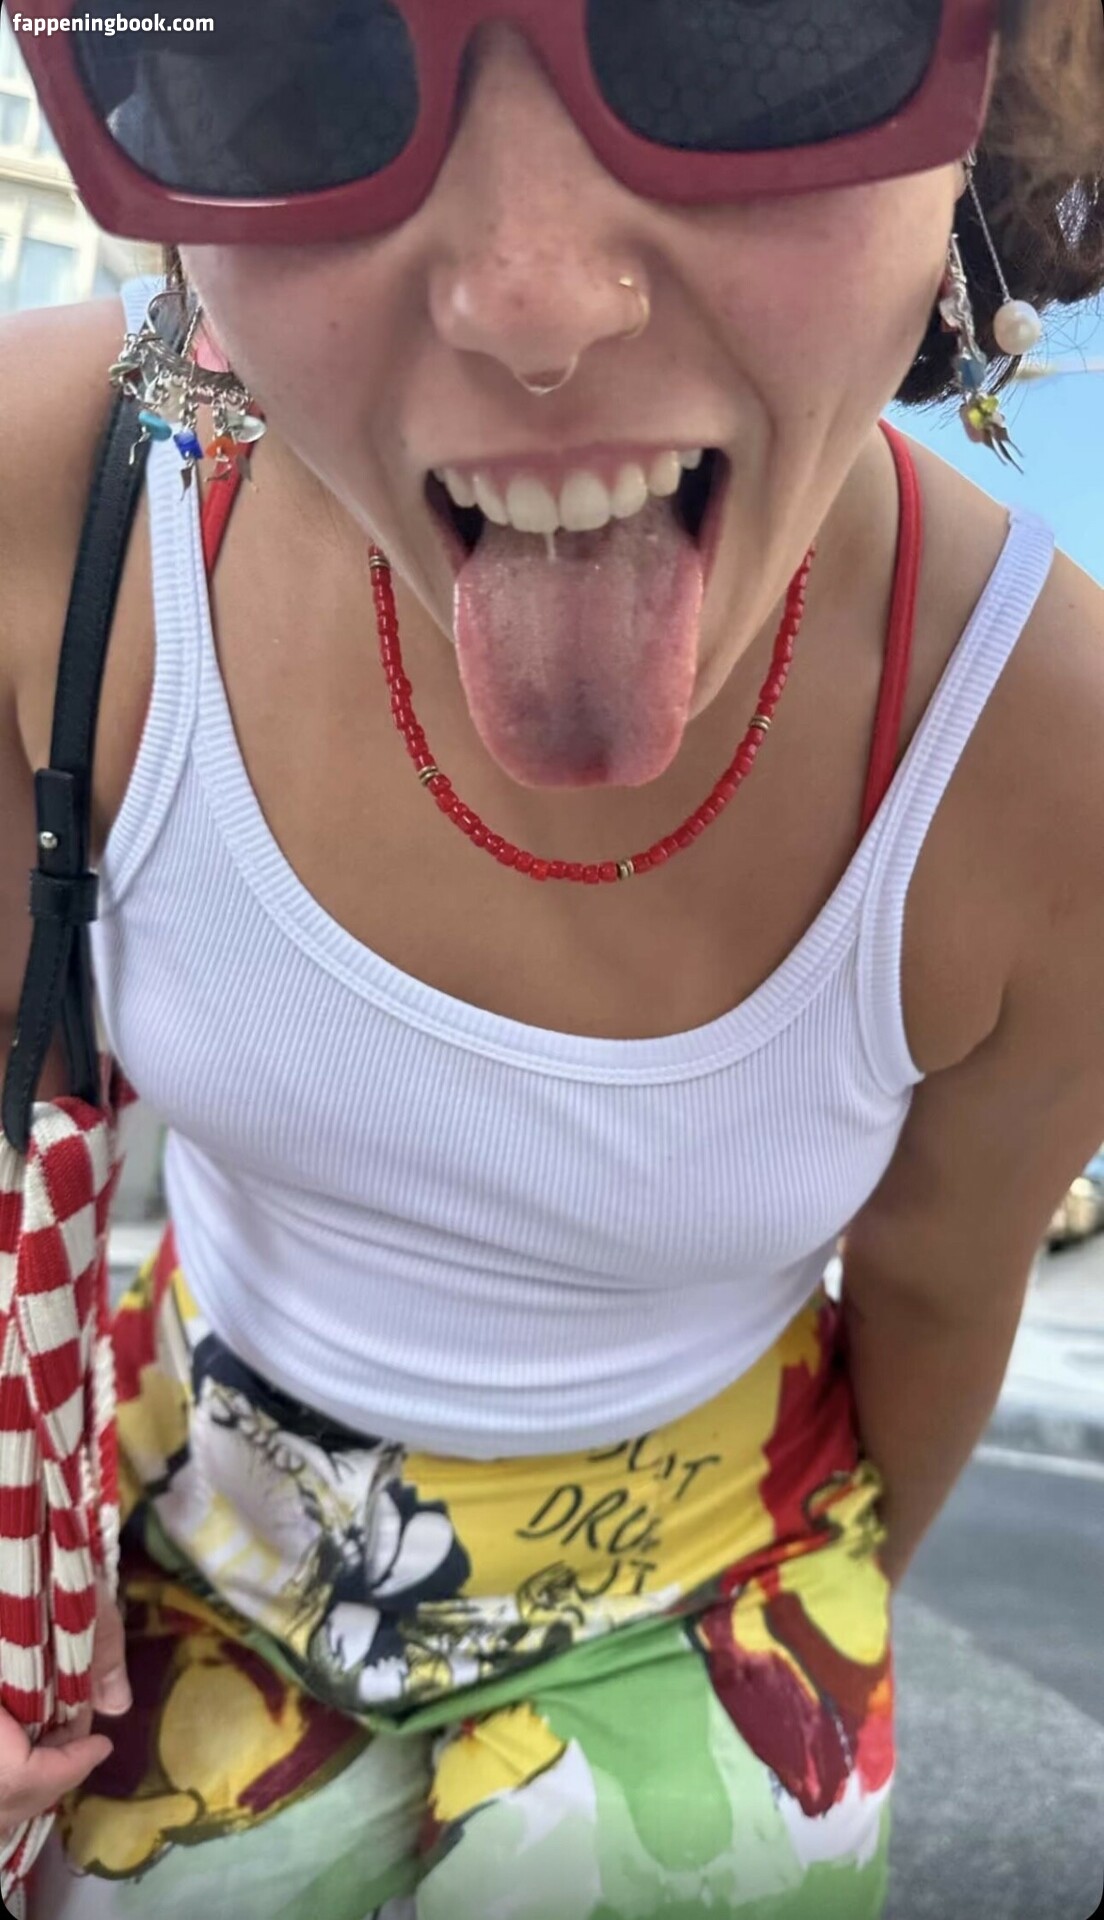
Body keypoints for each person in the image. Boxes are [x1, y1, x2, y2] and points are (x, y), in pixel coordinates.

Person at [2, 3, 1103, 1915]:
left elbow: (941, 1297)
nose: (533, 302)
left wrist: (804, 1663)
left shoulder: (1044, 755)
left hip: (716, 1586)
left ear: (997, 78)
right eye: (285, 48)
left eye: (756, 26)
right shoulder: (59, 516)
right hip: (167, 1521)